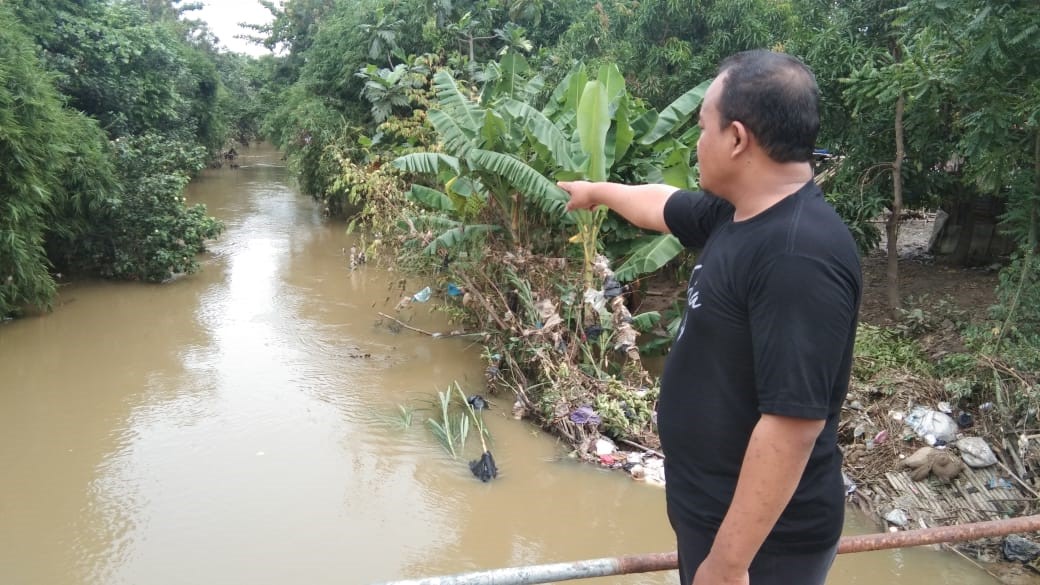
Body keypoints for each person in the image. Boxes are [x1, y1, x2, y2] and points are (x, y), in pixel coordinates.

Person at [558, 50, 861, 585]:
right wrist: (597, 192)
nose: (696, 143)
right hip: (716, 518)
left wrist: (726, 565)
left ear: (737, 138)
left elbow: (791, 428)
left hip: (766, 549)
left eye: (702, 128)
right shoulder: (740, 212)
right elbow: (662, 203)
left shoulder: (798, 256)